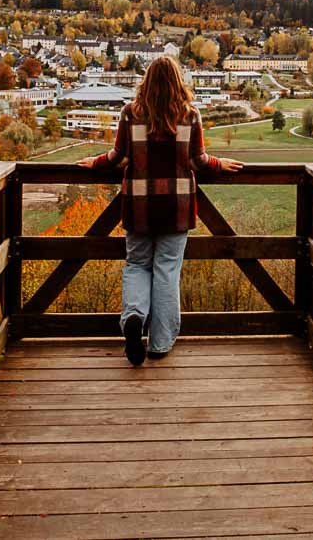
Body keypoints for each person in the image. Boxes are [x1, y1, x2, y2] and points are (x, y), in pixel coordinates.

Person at [78, 56, 242, 365]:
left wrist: (93, 163)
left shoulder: (130, 114)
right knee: (167, 270)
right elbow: (199, 161)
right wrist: (222, 164)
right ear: (178, 81)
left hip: (139, 205)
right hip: (176, 207)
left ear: (147, 81)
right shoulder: (190, 116)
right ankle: (160, 343)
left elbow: (117, 157)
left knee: (138, 265)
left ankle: (134, 317)